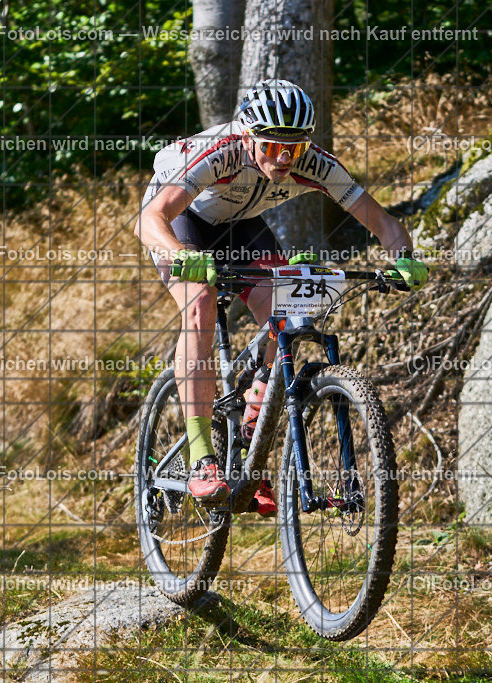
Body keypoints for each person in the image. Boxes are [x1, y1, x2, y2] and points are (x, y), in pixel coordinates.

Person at [135, 79, 427, 513]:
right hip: (183, 222)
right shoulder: (221, 153)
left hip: (243, 225)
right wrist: (182, 256)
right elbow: (149, 220)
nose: (284, 159)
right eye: (272, 147)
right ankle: (200, 458)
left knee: (289, 304)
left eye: (295, 148)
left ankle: (256, 409)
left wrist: (405, 257)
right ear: (249, 137)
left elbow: (383, 223)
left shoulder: (315, 164)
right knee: (199, 302)